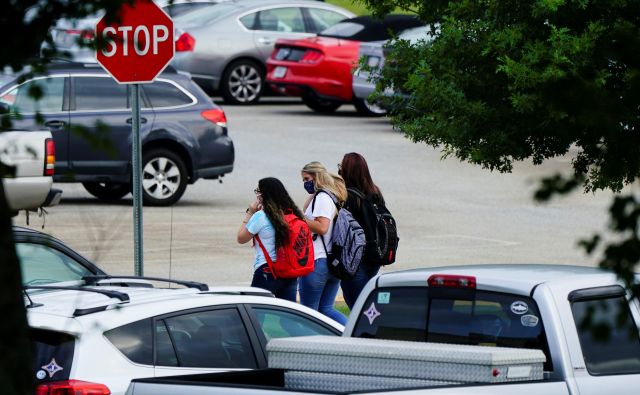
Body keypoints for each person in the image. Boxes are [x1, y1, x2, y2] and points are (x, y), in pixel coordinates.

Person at [237, 177, 304, 302]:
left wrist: (250, 212)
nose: (256, 195)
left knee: (254, 312)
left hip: (267, 271)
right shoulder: (292, 214)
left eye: (258, 191)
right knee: (287, 317)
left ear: (263, 195)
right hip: (289, 271)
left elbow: (241, 238)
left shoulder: (261, 216)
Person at [300, 161, 348, 325]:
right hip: (330, 262)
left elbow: (322, 227)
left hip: (317, 261)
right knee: (325, 309)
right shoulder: (328, 196)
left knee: (308, 314)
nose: (305, 183)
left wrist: (299, 221)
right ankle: (351, 334)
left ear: (316, 177)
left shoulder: (323, 198)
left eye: (306, 178)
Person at [339, 152, 385, 309]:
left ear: (347, 170)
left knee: (359, 308)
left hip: (355, 259)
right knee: (366, 303)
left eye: (341, 167)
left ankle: (365, 333)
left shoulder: (347, 196)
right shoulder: (375, 192)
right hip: (374, 256)